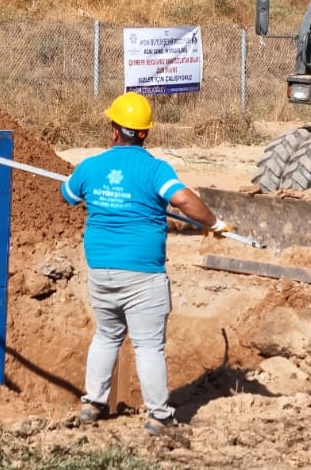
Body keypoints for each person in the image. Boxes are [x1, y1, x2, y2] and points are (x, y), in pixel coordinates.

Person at [62, 92, 229, 435]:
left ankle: (93, 404)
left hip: (101, 271)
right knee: (148, 346)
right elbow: (181, 198)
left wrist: (101, 195)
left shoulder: (91, 166)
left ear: (113, 131)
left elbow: (68, 195)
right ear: (145, 133)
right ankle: (158, 416)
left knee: (107, 335)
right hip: (142, 273)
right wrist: (214, 224)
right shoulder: (155, 169)